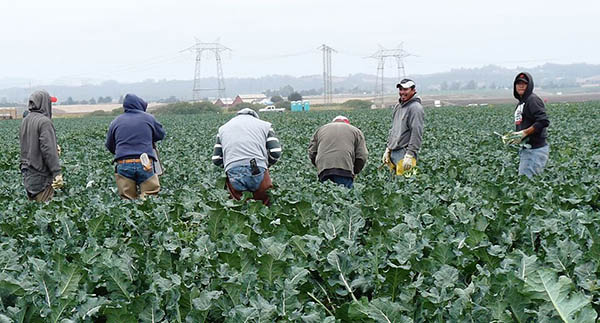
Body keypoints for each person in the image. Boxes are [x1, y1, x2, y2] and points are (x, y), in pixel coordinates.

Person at [212, 108, 281, 205]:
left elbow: (216, 159)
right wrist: (266, 165)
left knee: (239, 207)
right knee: (264, 205)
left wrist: (231, 166)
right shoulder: (265, 125)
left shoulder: (223, 128)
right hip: (256, 166)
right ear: (255, 117)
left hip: (233, 169)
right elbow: (276, 152)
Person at [105, 94, 165, 199]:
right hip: (145, 162)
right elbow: (161, 135)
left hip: (123, 163)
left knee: (127, 201)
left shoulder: (116, 121)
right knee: (149, 199)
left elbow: (109, 145)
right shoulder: (149, 118)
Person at [19, 90, 63, 202]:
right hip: (41, 174)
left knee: (33, 213)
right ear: (44, 103)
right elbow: (47, 150)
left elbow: (32, 143)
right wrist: (57, 173)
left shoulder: (26, 120)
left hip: (27, 173)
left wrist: (54, 146)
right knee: (44, 211)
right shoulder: (44, 122)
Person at [307, 115, 368, 188]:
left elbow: (312, 152)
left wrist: (319, 165)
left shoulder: (321, 129)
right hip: (344, 169)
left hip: (324, 169)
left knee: (326, 195)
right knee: (344, 196)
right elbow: (362, 155)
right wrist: (355, 171)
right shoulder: (356, 131)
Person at [509, 72, 550, 178]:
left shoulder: (532, 100)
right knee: (526, 184)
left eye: (524, 83)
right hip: (527, 150)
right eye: (518, 83)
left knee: (526, 185)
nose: (521, 85)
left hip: (535, 151)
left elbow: (543, 121)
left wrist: (524, 133)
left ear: (529, 85)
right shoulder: (522, 102)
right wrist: (516, 136)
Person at [382, 78, 424, 176]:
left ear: (413, 90)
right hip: (394, 152)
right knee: (393, 186)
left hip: (404, 153)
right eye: (400, 89)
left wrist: (410, 154)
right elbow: (394, 129)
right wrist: (388, 148)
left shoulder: (415, 108)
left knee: (405, 186)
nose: (402, 92)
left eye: (405, 89)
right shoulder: (398, 106)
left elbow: (416, 132)